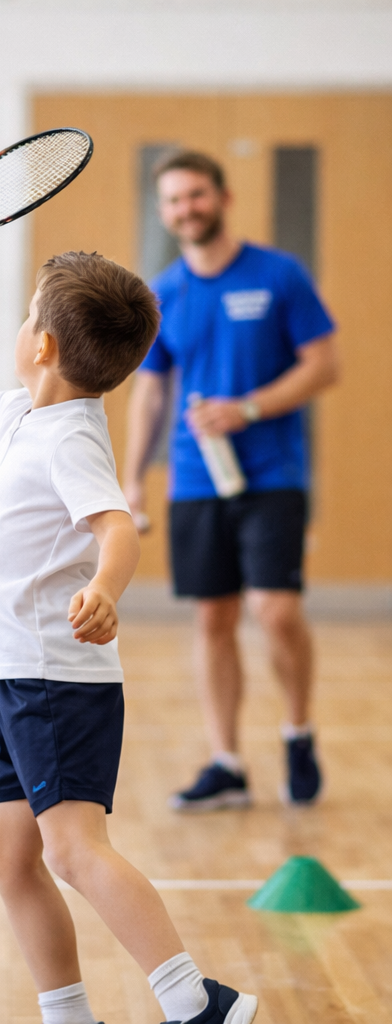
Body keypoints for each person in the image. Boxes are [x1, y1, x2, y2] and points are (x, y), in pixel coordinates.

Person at [0, 253, 257, 1024]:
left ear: (43, 345)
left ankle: (198, 1004)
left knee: (72, 849)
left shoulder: (71, 436)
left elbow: (116, 527)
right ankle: (68, 1015)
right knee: (8, 856)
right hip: (9, 676)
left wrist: (104, 588)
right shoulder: (17, 415)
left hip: (53, 679)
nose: (23, 324)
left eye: (29, 314)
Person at [123, 151, 339, 812]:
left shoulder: (279, 274)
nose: (186, 209)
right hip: (195, 480)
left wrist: (247, 408)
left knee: (276, 611)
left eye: (196, 195)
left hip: (272, 474)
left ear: (223, 197)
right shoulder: (162, 294)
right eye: (173, 200)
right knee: (213, 618)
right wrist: (132, 479)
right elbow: (151, 392)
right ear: (164, 212)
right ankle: (227, 763)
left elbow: (323, 366)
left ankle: (297, 732)